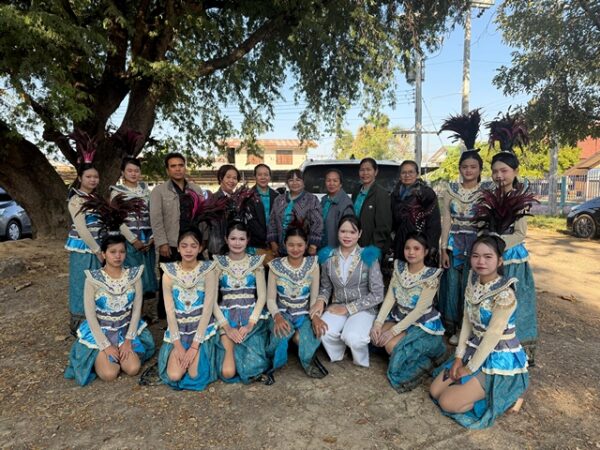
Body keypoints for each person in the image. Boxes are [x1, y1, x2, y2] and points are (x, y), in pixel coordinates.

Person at [430, 235, 529, 429]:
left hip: (498, 356)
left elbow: (492, 336)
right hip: (474, 348)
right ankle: (468, 387)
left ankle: (509, 393)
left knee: (447, 402)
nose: (480, 261)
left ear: (499, 261)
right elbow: (467, 321)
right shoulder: (474, 280)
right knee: (435, 391)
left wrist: (469, 369)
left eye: (488, 256)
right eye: (475, 256)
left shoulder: (505, 293)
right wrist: (458, 358)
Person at [65, 194, 156, 386]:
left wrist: (128, 340)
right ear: (104, 254)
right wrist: (106, 346)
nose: (118, 256)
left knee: (132, 369)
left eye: (122, 252)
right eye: (113, 252)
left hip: (125, 329)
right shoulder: (93, 279)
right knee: (109, 374)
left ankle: (124, 349)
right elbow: (90, 316)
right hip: (101, 332)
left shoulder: (134, 276)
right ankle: (99, 354)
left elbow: (136, 311)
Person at [484, 112, 538, 363]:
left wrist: (498, 246)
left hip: (511, 258)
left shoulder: (520, 198)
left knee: (513, 303)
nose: (499, 176)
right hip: (491, 255)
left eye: (504, 171)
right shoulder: (490, 195)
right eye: (495, 171)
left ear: (515, 171)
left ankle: (513, 350)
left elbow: (520, 233)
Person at [371, 232, 445, 392]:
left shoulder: (431, 276)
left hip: (421, 322)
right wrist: (378, 323)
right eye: (407, 248)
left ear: (425, 252)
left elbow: (419, 311)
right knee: (376, 337)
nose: (411, 252)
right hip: (400, 316)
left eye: (416, 248)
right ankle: (398, 347)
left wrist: (393, 331)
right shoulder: (399, 268)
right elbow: (390, 298)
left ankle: (426, 357)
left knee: (391, 346)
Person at [438, 110, 487, 342]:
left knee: (473, 284)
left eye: (473, 167)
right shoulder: (451, 190)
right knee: (453, 285)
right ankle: (452, 325)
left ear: (479, 169)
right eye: (465, 166)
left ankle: (468, 329)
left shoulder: (486, 191)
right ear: (460, 168)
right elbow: (446, 219)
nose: (468, 170)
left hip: (476, 244)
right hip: (453, 244)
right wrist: (442, 249)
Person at [311, 215, 384, 367]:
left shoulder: (368, 256)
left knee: (353, 337)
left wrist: (348, 308)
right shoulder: (328, 256)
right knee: (324, 332)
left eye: (352, 232)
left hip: (363, 308)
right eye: (343, 231)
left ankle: (359, 360)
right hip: (337, 305)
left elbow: (378, 294)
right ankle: (339, 353)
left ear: (360, 233)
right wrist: (320, 300)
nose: (347, 236)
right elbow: (326, 287)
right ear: (337, 232)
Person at [157, 227, 219, 391]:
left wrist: (194, 346)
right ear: (177, 248)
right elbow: (170, 312)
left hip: (201, 329)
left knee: (194, 375)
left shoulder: (208, 271)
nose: (188, 250)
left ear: (200, 248)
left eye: (193, 246)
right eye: (184, 246)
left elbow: (208, 310)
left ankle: (200, 351)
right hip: (179, 330)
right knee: (174, 375)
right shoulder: (169, 274)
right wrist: (178, 345)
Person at [150, 152, 208, 319]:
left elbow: (204, 216)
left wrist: (204, 239)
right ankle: (167, 317)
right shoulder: (159, 191)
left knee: (195, 279)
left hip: (193, 244)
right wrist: (162, 243)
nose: (177, 169)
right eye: (173, 166)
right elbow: (156, 219)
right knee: (168, 281)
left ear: (185, 167)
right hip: (171, 244)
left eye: (180, 165)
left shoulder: (196, 189)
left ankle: (193, 312)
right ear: (167, 170)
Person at [265, 227, 327, 379]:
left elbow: (314, 298)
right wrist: (277, 317)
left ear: (306, 245)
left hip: (303, 314)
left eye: (300, 245)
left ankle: (295, 342)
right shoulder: (275, 266)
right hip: (282, 313)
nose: (295, 249)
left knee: (303, 339)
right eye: (291, 245)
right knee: (281, 335)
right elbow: (271, 299)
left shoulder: (312, 265)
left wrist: (315, 316)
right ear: (284, 244)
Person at [213, 223, 270, 383]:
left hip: (251, 317)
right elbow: (211, 300)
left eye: (241, 239)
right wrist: (227, 327)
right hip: (226, 317)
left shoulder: (256, 263)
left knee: (252, 367)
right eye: (233, 238)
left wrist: (250, 324)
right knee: (228, 372)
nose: (237, 243)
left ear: (247, 240)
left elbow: (262, 297)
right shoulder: (218, 263)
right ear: (226, 239)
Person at [110, 157, 157, 296]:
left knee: (146, 274)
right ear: (122, 173)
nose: (133, 174)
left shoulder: (146, 191)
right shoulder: (117, 192)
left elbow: (153, 214)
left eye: (136, 170)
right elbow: (116, 219)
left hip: (147, 239)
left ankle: (142, 306)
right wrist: (133, 240)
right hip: (128, 240)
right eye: (129, 171)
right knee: (131, 276)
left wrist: (152, 237)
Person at [65, 163, 103, 333]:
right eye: (88, 177)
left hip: (98, 246)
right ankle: (81, 324)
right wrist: (97, 250)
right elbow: (82, 228)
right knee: (82, 282)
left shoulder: (94, 198)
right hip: (84, 248)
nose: (93, 180)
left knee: (97, 283)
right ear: (80, 178)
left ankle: (98, 320)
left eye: (95, 177)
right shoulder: (76, 200)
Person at [390, 160, 441, 264]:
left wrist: (430, 246)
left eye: (411, 172)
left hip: (420, 242)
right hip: (400, 243)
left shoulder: (426, 193)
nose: (407, 175)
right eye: (404, 172)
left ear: (417, 174)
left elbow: (434, 223)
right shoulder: (395, 194)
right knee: (401, 271)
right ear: (400, 175)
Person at [268, 169, 323, 257]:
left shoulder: (312, 200)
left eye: (298, 180)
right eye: (291, 180)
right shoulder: (279, 200)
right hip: (281, 249)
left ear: (303, 182)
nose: (294, 183)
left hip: (303, 250)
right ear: (287, 183)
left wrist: (313, 245)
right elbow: (272, 222)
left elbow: (317, 223)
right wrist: (273, 242)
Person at [351, 158, 392, 255]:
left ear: (376, 172)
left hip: (371, 248)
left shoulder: (381, 194)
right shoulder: (356, 191)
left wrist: (372, 249)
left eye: (368, 170)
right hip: (354, 244)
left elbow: (383, 227)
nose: (365, 173)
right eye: (362, 170)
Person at [246, 164, 279, 264]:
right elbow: (252, 223)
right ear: (255, 177)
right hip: (256, 244)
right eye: (259, 174)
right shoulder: (248, 196)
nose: (263, 177)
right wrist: (270, 240)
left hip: (275, 244)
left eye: (266, 174)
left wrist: (274, 241)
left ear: (270, 177)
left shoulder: (277, 196)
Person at [206, 164, 240, 257]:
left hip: (237, 248)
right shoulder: (212, 199)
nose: (231, 181)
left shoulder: (239, 199)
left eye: (235, 178)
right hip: (217, 249)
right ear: (221, 178)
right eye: (228, 177)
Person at [320, 169, 354, 248]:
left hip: (336, 249)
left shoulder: (345, 204)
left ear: (340, 184)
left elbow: (348, 232)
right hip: (322, 247)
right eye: (328, 180)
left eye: (335, 181)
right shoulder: (324, 200)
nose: (331, 183)